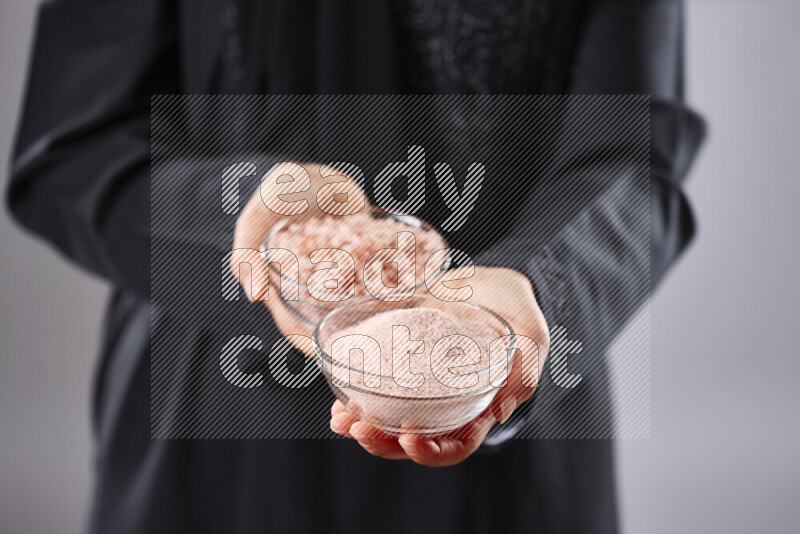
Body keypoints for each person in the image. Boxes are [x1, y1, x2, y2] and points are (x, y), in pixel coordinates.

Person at [6, 1, 704, 533]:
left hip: (506, 400)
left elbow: (634, 151)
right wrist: (255, 225)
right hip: (218, 429)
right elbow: (72, 148)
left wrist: (535, 286)